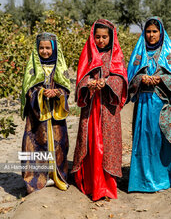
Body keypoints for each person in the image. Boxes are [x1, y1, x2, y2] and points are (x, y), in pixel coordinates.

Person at [72, 19, 128, 201]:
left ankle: (106, 186)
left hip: (108, 108)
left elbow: (121, 79)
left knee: (107, 144)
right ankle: (90, 183)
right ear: (92, 37)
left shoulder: (115, 55)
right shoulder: (87, 54)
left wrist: (108, 82)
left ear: (111, 38)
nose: (101, 40)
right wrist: (88, 84)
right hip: (91, 108)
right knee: (91, 144)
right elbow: (80, 78)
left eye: (105, 37)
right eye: (98, 37)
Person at [127, 17, 171, 192]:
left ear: (161, 33)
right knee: (144, 140)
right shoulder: (139, 54)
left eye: (154, 31)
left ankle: (163, 178)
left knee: (160, 140)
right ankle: (141, 180)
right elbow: (130, 78)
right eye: (148, 31)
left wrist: (160, 79)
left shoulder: (169, 54)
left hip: (161, 104)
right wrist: (141, 78)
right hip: (143, 104)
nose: (151, 35)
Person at [21, 32, 70, 194]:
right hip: (37, 115)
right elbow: (27, 88)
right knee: (36, 142)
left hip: (55, 113)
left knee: (59, 143)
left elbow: (66, 88)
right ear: (37, 49)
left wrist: (57, 93)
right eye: (41, 48)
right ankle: (36, 177)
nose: (45, 51)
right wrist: (41, 93)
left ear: (54, 48)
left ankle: (56, 175)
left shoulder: (59, 66)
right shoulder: (32, 67)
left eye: (48, 48)